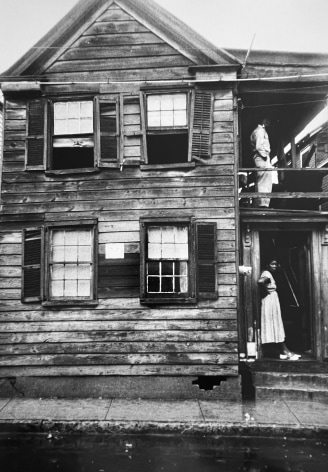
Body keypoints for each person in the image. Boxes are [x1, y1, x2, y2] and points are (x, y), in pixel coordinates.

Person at [258, 258, 300, 360]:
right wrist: (266, 292)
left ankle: (284, 351)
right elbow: (260, 281)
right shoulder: (266, 274)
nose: (275, 266)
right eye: (272, 264)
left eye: (276, 264)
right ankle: (284, 351)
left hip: (272, 300)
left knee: (276, 323)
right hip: (269, 300)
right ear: (267, 265)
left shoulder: (269, 274)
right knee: (273, 323)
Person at [250, 118, 273, 208]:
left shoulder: (257, 131)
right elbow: (259, 146)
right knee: (264, 179)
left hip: (260, 157)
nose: (269, 123)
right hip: (261, 157)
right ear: (264, 121)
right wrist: (264, 156)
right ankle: (263, 204)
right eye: (267, 121)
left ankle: (260, 203)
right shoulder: (260, 131)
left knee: (261, 180)